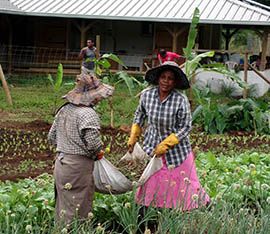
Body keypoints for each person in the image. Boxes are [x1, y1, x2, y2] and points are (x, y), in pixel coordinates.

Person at [128, 61, 210, 212]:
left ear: (175, 82)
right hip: (152, 148)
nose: (166, 81)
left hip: (177, 152)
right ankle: (149, 213)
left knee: (185, 185)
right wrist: (134, 134)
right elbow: (139, 115)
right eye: (163, 77)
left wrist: (167, 144)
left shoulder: (180, 100)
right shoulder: (147, 95)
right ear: (158, 78)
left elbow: (185, 127)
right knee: (151, 183)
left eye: (170, 78)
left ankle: (196, 211)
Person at [48, 73, 114, 225]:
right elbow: (93, 144)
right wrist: (98, 153)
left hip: (61, 164)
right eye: (98, 95)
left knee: (63, 207)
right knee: (79, 208)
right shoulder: (88, 114)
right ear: (92, 96)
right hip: (78, 168)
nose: (99, 98)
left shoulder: (64, 110)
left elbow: (52, 137)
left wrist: (66, 145)